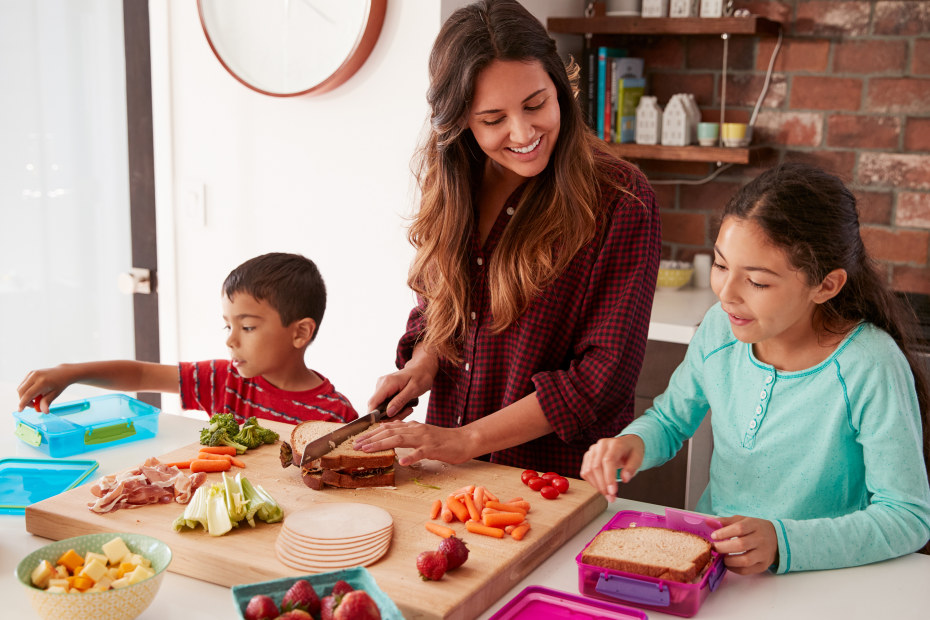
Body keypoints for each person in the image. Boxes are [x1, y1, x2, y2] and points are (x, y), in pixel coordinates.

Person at [354, 0, 661, 478]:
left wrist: (468, 439)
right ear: (460, 122)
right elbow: (441, 307)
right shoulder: (453, 184)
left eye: (536, 104)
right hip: (448, 475)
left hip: (553, 483)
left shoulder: (620, 199)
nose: (523, 132)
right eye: (493, 119)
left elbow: (602, 377)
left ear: (559, 87)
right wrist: (422, 363)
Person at [581, 162, 930, 575]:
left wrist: (783, 542)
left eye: (758, 282)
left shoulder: (869, 364)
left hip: (824, 579)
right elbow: (671, 419)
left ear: (826, 285)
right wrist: (634, 442)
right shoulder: (719, 329)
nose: (726, 294)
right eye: (721, 265)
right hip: (716, 568)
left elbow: (908, 516)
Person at [16, 252, 358, 425]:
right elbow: (141, 375)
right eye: (228, 326)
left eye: (248, 327)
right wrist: (70, 372)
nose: (231, 341)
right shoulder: (224, 381)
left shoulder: (334, 415)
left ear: (300, 332)